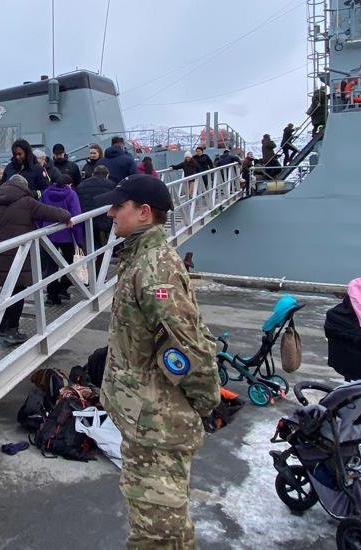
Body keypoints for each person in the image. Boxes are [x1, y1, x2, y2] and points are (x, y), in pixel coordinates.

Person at [95, 174, 219, 548]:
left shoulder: (153, 268)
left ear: (144, 213)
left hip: (159, 424)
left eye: (120, 206)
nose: (112, 212)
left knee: (158, 535)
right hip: (147, 418)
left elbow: (187, 348)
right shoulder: (139, 260)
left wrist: (204, 400)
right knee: (162, 528)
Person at [0, 174, 72, 344]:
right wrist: (67, 216)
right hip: (19, 254)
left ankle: (3, 327)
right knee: (18, 292)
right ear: (23, 187)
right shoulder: (27, 202)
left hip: (0, 253)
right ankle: (11, 330)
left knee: (6, 293)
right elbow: (51, 212)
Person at [39, 174, 85, 306]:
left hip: (48, 234)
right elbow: (76, 217)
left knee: (50, 267)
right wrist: (79, 240)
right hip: (66, 235)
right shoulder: (71, 194)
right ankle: (62, 288)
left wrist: (41, 228)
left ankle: (51, 296)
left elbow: (39, 212)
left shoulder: (46, 193)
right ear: (68, 184)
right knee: (71, 264)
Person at [75, 164, 115, 277]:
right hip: (103, 222)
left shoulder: (82, 185)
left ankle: (89, 277)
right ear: (107, 175)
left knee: (88, 250)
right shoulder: (111, 185)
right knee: (104, 250)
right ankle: (99, 276)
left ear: (93, 174)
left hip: (85, 221)